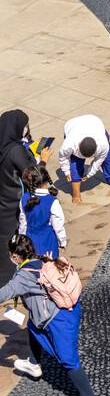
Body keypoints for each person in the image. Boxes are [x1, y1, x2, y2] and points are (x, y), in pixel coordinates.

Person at [0, 233, 100, 396]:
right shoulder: (42, 260)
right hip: (67, 310)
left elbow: (5, 293)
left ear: (15, 257)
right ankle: (34, 364)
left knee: (68, 359)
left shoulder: (24, 276)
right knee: (33, 326)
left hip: (59, 319)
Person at [0, 111, 44, 286]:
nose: (26, 128)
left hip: (2, 202)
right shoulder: (15, 150)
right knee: (11, 244)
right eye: (25, 125)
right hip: (13, 205)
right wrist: (42, 162)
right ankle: (10, 283)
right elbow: (34, 176)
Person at [58, 114, 110, 205]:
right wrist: (67, 171)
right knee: (75, 165)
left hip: (94, 123)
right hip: (72, 125)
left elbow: (99, 160)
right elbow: (63, 158)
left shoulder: (103, 144)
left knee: (109, 158)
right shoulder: (69, 145)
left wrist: (89, 174)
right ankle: (76, 193)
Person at [19, 165, 66, 258]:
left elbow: (23, 223)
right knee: (50, 268)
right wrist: (62, 242)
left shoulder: (24, 198)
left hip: (30, 241)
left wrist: (22, 239)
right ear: (47, 178)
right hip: (48, 241)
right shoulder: (52, 201)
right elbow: (58, 226)